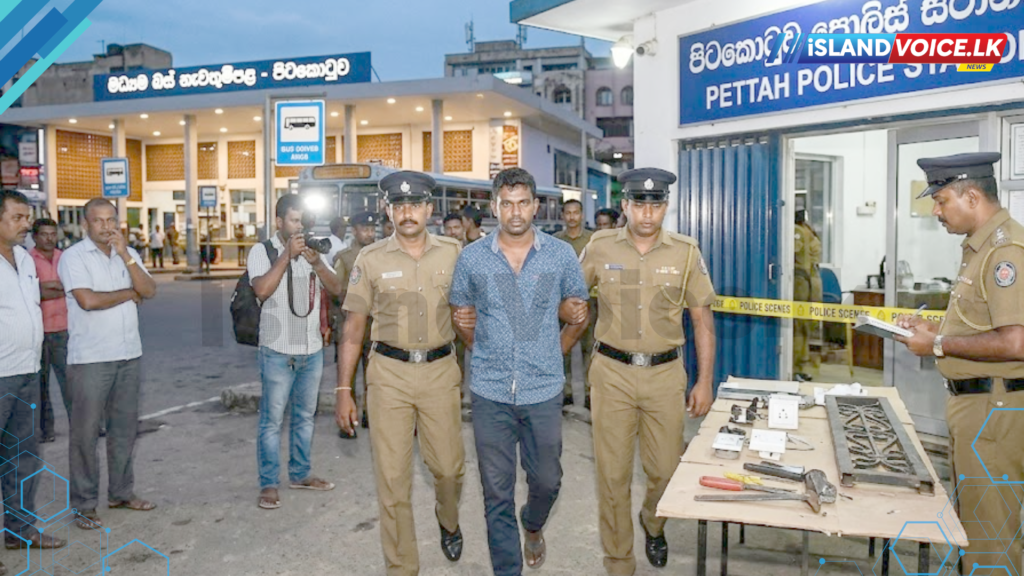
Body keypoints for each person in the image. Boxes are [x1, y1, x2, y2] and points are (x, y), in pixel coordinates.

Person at [574, 168, 717, 575]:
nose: (648, 213)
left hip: (664, 375)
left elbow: (702, 320)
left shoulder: (685, 252)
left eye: (656, 205)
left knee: (666, 471)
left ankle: (653, 522)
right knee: (612, 475)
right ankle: (619, 560)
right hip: (612, 374)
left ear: (666, 206)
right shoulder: (600, 246)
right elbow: (570, 296)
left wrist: (705, 381)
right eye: (639, 204)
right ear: (625, 205)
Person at [450, 167, 589, 575]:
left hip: (543, 391)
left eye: (523, 203)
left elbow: (579, 312)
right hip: (490, 392)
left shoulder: (560, 255)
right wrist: (482, 348)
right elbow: (461, 315)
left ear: (535, 206)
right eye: (507, 203)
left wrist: (553, 353)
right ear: (494, 207)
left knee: (547, 480)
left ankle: (533, 523)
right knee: (496, 491)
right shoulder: (472, 257)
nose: (515, 212)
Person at [894, 152, 1024, 576]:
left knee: (991, 536)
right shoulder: (980, 247)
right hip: (977, 407)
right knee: (976, 522)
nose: (936, 211)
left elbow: (1015, 342)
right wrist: (932, 328)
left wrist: (937, 344)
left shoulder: (1005, 252)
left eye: (941, 200)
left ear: (971, 197)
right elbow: (980, 323)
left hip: (994, 411)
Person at [336, 172, 466, 574]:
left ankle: (448, 518)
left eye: (415, 205)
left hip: (440, 372)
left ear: (429, 209)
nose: (407, 213)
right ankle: (402, 567)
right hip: (388, 376)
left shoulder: (454, 252)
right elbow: (353, 329)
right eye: (399, 206)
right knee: (392, 481)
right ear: (388, 210)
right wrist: (344, 390)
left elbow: (473, 313)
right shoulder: (370, 259)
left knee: (448, 469)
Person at [58, 198, 158, 530]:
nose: (106, 226)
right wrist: (128, 294)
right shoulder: (74, 257)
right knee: (85, 435)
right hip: (90, 359)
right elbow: (87, 300)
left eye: (111, 220)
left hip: (128, 354)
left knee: (124, 430)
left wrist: (126, 255)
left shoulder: (128, 254)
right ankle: (84, 504)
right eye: (98, 220)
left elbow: (149, 290)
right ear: (85, 224)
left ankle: (121, 493)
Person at [248, 193, 343, 510]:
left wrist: (316, 262)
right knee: (272, 421)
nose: (300, 227)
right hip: (277, 350)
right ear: (279, 222)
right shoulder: (262, 251)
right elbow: (262, 289)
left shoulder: (312, 251)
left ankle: (300, 474)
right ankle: (268, 483)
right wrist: (286, 257)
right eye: (294, 221)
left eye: (304, 221)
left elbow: (337, 289)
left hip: (311, 350)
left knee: (305, 418)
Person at [0, 191, 68, 563]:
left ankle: (20, 530)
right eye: (18, 217)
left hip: (27, 370)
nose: (26, 224)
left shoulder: (24, 259)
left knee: (24, 456)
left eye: (27, 217)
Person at [331, 211, 378, 438]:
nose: (369, 233)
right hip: (349, 325)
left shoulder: (381, 255)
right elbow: (335, 289)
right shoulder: (344, 258)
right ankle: (347, 422)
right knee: (347, 375)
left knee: (374, 374)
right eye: (364, 229)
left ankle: (369, 414)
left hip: (375, 326)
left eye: (372, 229)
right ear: (354, 231)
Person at [30, 218, 70, 443]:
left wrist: (45, 288)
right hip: (39, 332)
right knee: (41, 386)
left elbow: (74, 287)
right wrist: (56, 287)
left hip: (64, 329)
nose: (49, 238)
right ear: (35, 236)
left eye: (52, 234)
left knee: (71, 383)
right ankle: (46, 430)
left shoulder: (65, 258)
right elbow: (31, 292)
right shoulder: (27, 260)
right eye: (44, 234)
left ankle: (82, 426)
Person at [553, 199, 595, 408]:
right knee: (563, 347)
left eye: (575, 212)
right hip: (562, 302)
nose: (572, 217)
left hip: (589, 301)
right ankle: (565, 391)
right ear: (563, 215)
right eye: (568, 213)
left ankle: (589, 392)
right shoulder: (555, 241)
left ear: (582, 215)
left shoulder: (592, 240)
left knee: (590, 347)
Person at [793, 210, 819, 381]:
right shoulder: (809, 232)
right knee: (803, 325)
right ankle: (801, 365)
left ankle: (795, 367)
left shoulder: (797, 231)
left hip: (800, 281)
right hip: (811, 279)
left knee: (797, 325)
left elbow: (793, 249)